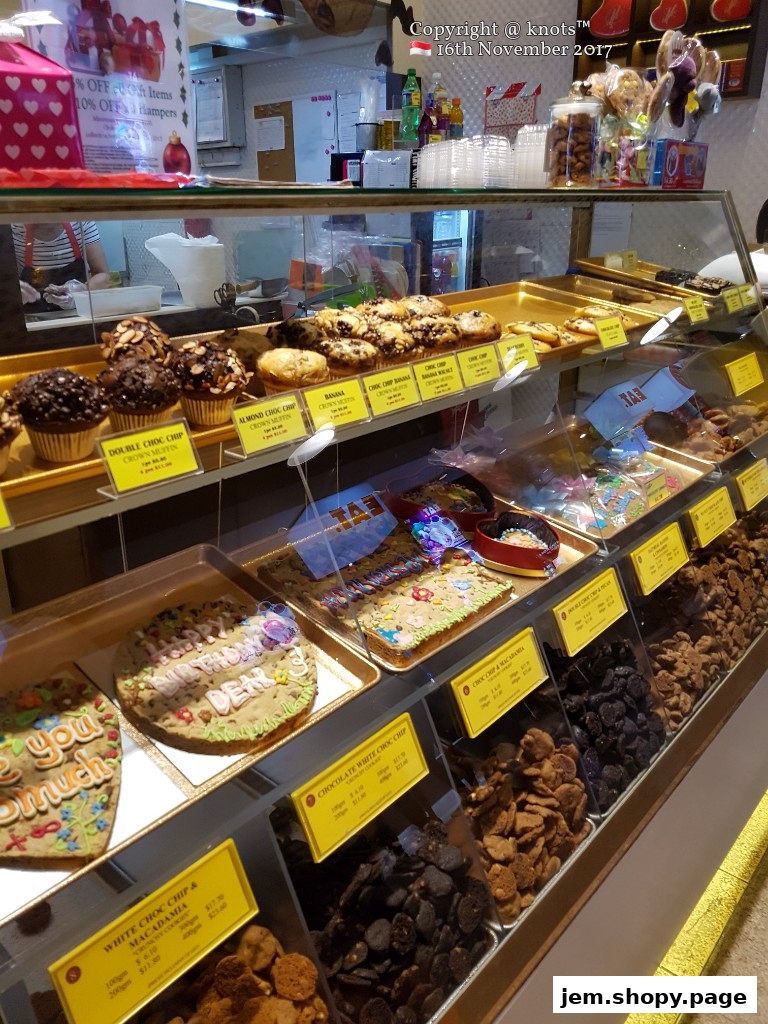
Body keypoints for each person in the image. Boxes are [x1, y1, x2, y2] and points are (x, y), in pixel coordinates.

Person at [13, 221, 110, 312]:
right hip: (32, 320)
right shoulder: (13, 228)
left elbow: (103, 275)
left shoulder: (81, 222)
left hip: (79, 315)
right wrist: (15, 293)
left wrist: (83, 290)